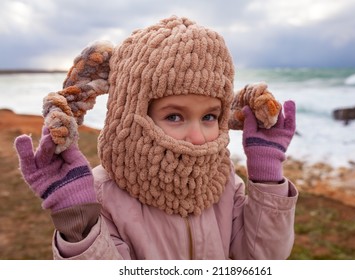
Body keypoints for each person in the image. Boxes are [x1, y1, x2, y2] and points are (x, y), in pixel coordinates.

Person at [14, 16, 298, 260]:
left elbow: (263, 258)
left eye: (210, 117)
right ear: (130, 114)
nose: (197, 138)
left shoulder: (224, 184)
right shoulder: (100, 196)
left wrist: (267, 176)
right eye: (174, 116)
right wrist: (80, 222)